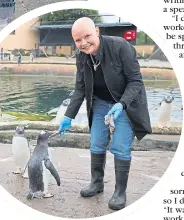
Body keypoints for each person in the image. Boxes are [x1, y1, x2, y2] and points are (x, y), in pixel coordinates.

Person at [58, 17, 152, 211]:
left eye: (87, 36)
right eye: (78, 40)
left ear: (97, 31)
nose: (83, 43)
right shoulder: (81, 56)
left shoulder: (121, 47)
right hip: (100, 101)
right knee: (96, 141)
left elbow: (136, 81)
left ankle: (120, 192)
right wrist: (68, 116)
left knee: (120, 146)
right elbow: (80, 89)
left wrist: (122, 104)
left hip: (125, 102)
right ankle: (97, 182)